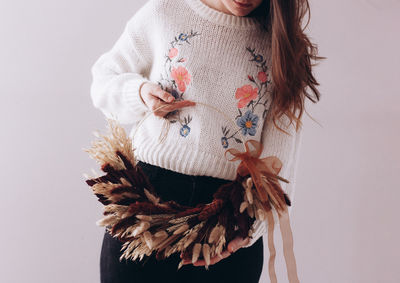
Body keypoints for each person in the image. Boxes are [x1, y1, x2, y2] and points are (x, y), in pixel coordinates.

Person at [90, 0, 322, 282]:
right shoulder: (165, 11)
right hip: (145, 211)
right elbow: (104, 79)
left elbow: (279, 162)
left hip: (226, 226)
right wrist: (140, 93)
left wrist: (250, 230)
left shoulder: (282, 46)